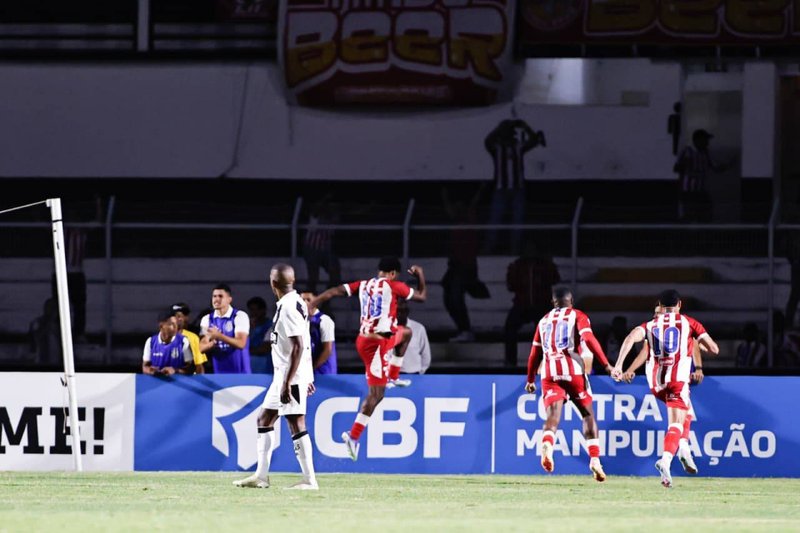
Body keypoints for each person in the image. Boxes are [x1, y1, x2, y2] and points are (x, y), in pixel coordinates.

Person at [311, 257, 427, 461]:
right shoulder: (395, 285)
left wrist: (314, 302)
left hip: (377, 339)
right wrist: (420, 276)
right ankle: (352, 437)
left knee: (406, 333)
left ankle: (392, 375)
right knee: (377, 395)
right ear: (392, 273)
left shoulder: (364, 284)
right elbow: (422, 297)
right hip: (375, 347)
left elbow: (335, 291)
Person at [612, 290, 719, 488]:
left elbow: (629, 338)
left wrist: (619, 366)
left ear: (660, 306)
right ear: (680, 303)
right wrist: (702, 344)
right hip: (677, 380)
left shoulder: (650, 325)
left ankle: (684, 449)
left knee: (687, 411)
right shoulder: (689, 323)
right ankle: (666, 460)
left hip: (656, 384)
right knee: (676, 424)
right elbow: (714, 349)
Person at [233, 263, 318, 490]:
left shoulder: (289, 307)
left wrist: (291, 381)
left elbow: (299, 345)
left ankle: (310, 480)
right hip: (284, 375)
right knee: (264, 419)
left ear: (273, 283)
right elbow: (305, 342)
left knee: (295, 422)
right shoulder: (296, 301)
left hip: (290, 377)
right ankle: (261, 476)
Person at [524, 287, 614, 482]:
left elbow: (534, 354)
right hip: (572, 369)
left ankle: (548, 443)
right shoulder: (577, 315)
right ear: (571, 301)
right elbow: (588, 338)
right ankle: (595, 460)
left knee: (553, 416)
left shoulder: (544, 320)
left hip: (549, 372)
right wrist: (606, 365)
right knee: (587, 414)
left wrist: (530, 380)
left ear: (553, 302)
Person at [483, 111, 546, 254]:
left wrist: (524, 126)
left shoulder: (518, 147)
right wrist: (501, 127)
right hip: (502, 189)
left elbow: (534, 140)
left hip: (517, 189)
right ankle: (489, 248)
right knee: (495, 220)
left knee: (517, 222)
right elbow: (487, 141)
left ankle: (514, 249)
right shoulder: (497, 149)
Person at [441, 186, 489, 342]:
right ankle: (463, 329)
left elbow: (474, 203)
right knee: (449, 299)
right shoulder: (456, 221)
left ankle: (465, 329)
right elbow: (449, 207)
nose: (456, 208)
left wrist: (481, 188)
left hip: (465, 267)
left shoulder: (469, 219)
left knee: (455, 298)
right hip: (455, 266)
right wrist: (444, 193)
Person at [504, 241, 561, 366]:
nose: (530, 252)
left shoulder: (545, 265)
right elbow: (510, 286)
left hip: (542, 305)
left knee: (546, 332)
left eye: (533, 249)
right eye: (527, 249)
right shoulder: (517, 265)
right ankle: (510, 362)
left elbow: (555, 279)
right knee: (509, 327)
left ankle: (544, 362)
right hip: (522, 305)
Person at [199, 284, 251, 374]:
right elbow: (201, 348)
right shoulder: (207, 319)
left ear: (229, 299)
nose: (216, 299)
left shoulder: (239, 316)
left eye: (220, 296)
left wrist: (219, 336)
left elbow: (241, 343)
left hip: (241, 372)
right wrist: (211, 344)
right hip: (219, 372)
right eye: (214, 296)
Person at [673, 128, 722, 222]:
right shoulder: (687, 151)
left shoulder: (706, 153)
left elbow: (715, 168)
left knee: (705, 213)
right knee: (689, 215)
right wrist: (687, 167)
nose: (707, 143)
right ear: (697, 140)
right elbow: (676, 168)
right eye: (705, 140)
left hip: (700, 191)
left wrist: (729, 165)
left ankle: (702, 231)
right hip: (688, 192)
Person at [303, 194, 341, 294]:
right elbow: (315, 211)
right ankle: (309, 299)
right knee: (314, 277)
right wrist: (324, 200)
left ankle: (325, 300)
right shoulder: (315, 216)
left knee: (335, 274)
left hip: (325, 250)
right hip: (311, 249)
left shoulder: (333, 220)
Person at [142, 308, 194, 376]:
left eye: (176, 323)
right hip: (156, 384)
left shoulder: (183, 341)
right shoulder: (151, 342)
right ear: (161, 326)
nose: (176, 327)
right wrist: (151, 371)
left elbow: (191, 368)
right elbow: (145, 367)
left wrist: (175, 370)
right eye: (171, 324)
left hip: (177, 385)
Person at [301, 291, 337, 375]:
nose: (305, 302)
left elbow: (328, 350)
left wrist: (312, 368)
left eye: (308, 300)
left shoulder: (324, 320)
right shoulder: (301, 322)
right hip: (307, 373)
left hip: (323, 372)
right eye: (303, 300)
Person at [396, 299, 431, 375]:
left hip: (413, 374)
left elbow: (425, 354)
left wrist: (420, 372)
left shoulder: (418, 328)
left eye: (401, 311)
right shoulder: (385, 328)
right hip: (391, 376)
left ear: (407, 312)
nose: (398, 314)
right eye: (396, 311)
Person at [171, 303, 207, 374]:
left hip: (189, 379)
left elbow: (199, 365)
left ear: (186, 318)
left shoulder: (193, 337)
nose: (178, 319)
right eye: (174, 316)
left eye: (180, 316)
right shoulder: (164, 336)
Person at [28, 297, 61, 364]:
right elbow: (35, 338)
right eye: (50, 307)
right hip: (42, 361)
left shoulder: (61, 325)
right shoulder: (37, 322)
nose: (52, 310)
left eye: (54, 308)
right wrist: (49, 322)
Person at [247, 296, 274, 374]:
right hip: (250, 366)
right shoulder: (247, 326)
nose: (254, 313)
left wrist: (246, 351)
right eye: (251, 310)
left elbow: (266, 348)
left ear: (264, 310)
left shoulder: (271, 326)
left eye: (257, 310)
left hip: (265, 366)